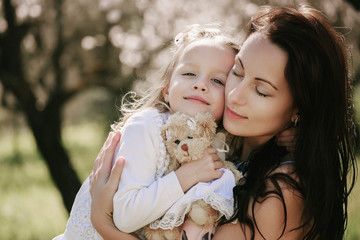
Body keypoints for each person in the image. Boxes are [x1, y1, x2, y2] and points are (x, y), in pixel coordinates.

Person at [88, 5, 357, 240]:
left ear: (299, 109)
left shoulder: (283, 190)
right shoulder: (221, 143)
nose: (234, 95)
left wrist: (103, 222)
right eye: (236, 72)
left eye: (261, 91)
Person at [54, 24, 243, 240]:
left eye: (217, 80)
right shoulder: (146, 127)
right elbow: (126, 217)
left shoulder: (215, 145)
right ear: (166, 88)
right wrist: (186, 176)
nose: (201, 85)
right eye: (189, 73)